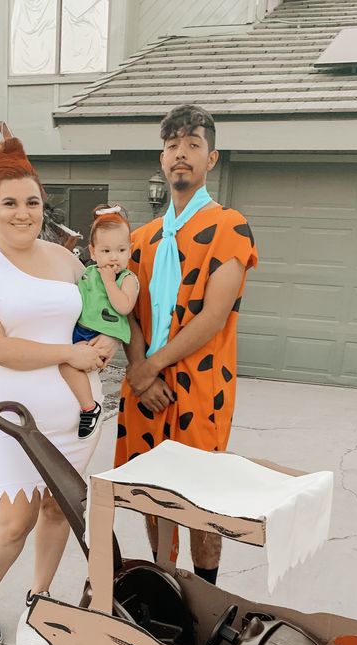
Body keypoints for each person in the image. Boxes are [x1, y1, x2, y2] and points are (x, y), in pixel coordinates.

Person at [0, 138, 111, 645]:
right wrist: (68, 355)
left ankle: (38, 598)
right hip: (10, 416)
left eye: (33, 202)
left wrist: (105, 341)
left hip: (76, 413)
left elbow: (100, 316)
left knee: (59, 509)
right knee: (15, 517)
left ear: (44, 206)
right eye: (11, 203)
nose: (23, 213)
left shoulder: (68, 261)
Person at [117, 104, 258, 584]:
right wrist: (140, 373)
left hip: (201, 386)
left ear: (211, 159)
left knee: (200, 499)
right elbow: (128, 313)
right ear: (162, 158)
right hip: (145, 385)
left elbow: (213, 318)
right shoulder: (141, 239)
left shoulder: (229, 227)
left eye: (193, 145)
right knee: (149, 493)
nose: (181, 154)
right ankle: (165, 588)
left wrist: (146, 368)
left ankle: (204, 598)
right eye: (173, 145)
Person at [60, 204, 139, 438]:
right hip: (80, 330)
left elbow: (124, 306)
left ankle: (89, 408)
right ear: (93, 252)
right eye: (106, 251)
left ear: (130, 251)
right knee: (62, 362)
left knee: (68, 365)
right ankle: (78, 406)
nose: (114, 257)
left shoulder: (127, 279)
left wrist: (109, 281)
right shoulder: (87, 273)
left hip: (101, 335)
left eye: (121, 250)